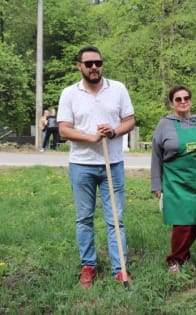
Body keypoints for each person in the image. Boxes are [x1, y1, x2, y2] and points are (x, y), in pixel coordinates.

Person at [57, 45, 135, 288]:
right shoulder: (69, 93)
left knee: (116, 220)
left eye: (98, 63)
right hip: (82, 165)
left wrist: (113, 132)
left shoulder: (118, 89)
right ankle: (88, 266)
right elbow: (63, 129)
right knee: (84, 219)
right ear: (79, 66)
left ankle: (119, 268)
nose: (94, 68)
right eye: (89, 64)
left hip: (113, 164)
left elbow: (129, 121)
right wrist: (91, 137)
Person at [150, 84, 196, 275]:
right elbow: (156, 156)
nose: (182, 102)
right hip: (175, 183)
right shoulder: (164, 125)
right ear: (172, 103)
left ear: (190, 100)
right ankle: (174, 260)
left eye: (186, 98)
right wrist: (156, 184)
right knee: (182, 224)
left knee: (194, 223)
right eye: (178, 99)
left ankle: (184, 254)